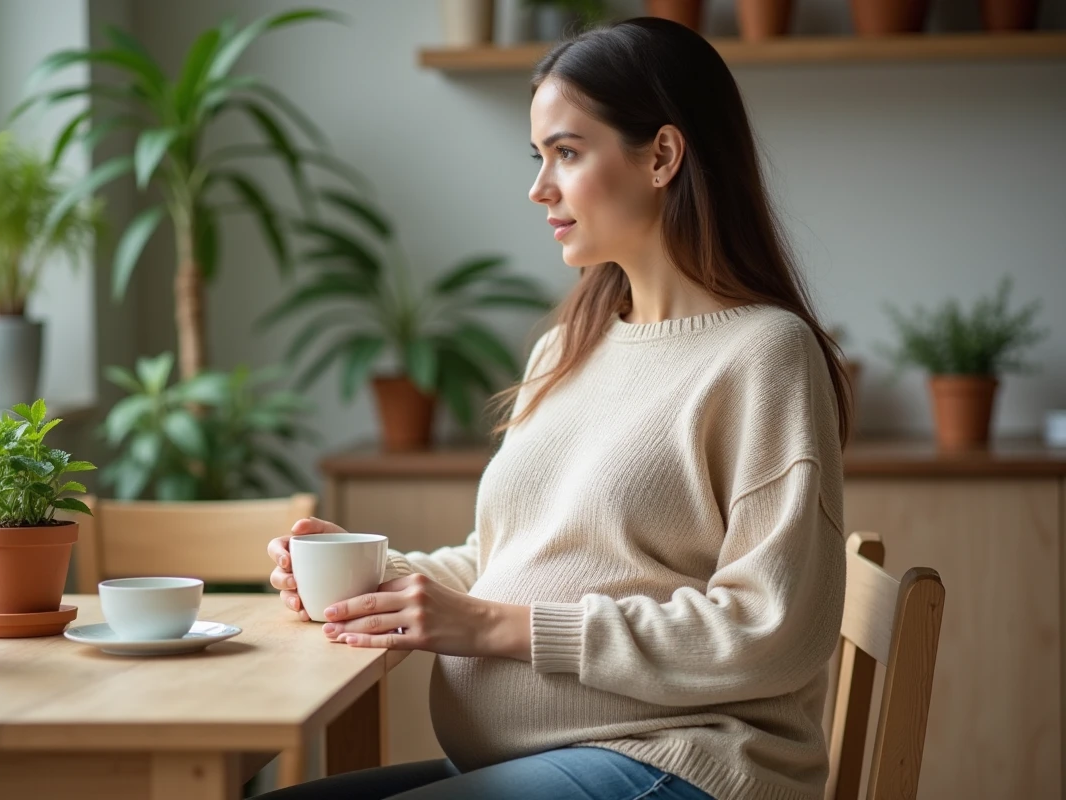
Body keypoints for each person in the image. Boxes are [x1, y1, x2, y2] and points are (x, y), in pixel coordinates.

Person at [256, 16, 851, 800]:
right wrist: (375, 577)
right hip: (545, 761)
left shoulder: (763, 355)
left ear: (663, 155)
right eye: (539, 157)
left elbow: (770, 630)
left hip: (682, 761)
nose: (539, 187)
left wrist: (493, 628)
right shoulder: (571, 345)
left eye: (566, 153)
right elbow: (512, 558)